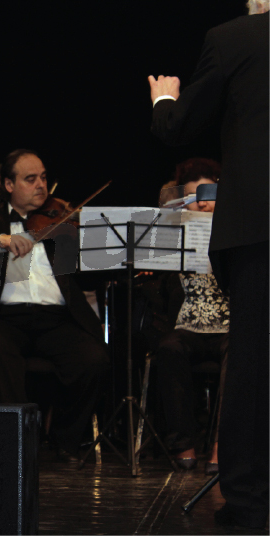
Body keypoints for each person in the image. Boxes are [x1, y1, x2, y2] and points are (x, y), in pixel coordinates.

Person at [148, 1, 268, 528]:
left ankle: (250, 497)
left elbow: (177, 128)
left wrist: (164, 98)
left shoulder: (235, 38)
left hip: (259, 228)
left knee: (253, 365)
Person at [0, 149, 108, 461]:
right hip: (4, 318)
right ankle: (19, 443)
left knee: (94, 360)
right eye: (30, 179)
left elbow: (91, 278)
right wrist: (2, 240)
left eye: (44, 178)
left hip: (56, 318)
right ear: (9, 185)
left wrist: (93, 246)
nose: (41, 186)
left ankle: (63, 441)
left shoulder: (61, 221)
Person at [150, 158, 226, 473]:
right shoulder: (175, 231)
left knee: (243, 352)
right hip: (188, 324)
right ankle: (183, 442)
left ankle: (223, 444)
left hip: (229, 325)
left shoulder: (234, 231)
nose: (203, 203)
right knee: (169, 348)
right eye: (195, 196)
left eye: (210, 195)